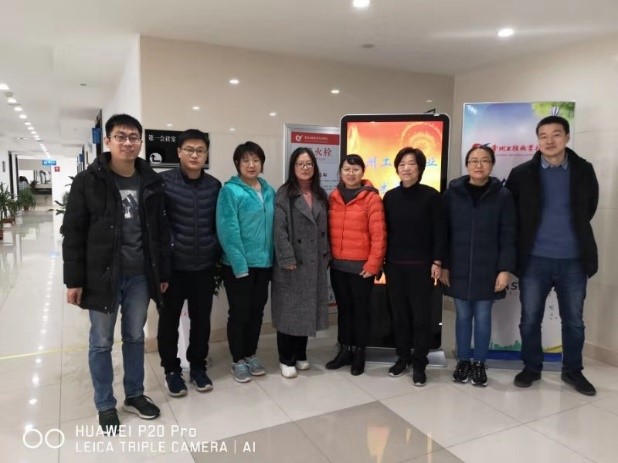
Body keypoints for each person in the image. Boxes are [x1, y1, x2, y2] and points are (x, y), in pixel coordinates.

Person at [62, 114, 170, 435]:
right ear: (107, 141)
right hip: (102, 276)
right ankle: (105, 404)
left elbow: (160, 232)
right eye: (121, 136)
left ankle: (134, 395)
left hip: (140, 277)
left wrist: (161, 272)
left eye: (134, 137)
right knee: (101, 342)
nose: (128, 142)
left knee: (135, 337)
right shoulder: (88, 181)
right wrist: (74, 280)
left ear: (140, 142)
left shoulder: (151, 181)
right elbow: (73, 233)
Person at [506, 115, 599, 396]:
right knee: (530, 319)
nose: (549, 141)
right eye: (543, 136)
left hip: (573, 260)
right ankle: (531, 367)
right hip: (534, 259)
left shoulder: (583, 170)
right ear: (537, 141)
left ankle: (573, 370)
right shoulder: (521, 174)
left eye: (556, 134)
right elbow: (512, 216)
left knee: (574, 321)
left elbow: (589, 208)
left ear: (567, 137)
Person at [441, 144, 516, 387]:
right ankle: (463, 361)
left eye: (484, 160)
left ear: (492, 165)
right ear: (467, 165)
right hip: (459, 267)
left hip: (488, 268)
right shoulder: (452, 194)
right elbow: (443, 233)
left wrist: (504, 269)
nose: (478, 165)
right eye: (473, 160)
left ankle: (479, 363)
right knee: (463, 316)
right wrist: (443, 264)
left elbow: (508, 235)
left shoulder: (503, 196)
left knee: (483, 316)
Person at [157, 129, 221, 396]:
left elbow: (218, 223)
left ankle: (197, 367)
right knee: (168, 322)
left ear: (206, 154)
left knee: (202, 322)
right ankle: (172, 371)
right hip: (173, 268)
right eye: (190, 150)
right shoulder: (163, 182)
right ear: (179, 152)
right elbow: (157, 224)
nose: (195, 155)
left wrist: (215, 249)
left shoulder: (214, 186)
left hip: (204, 265)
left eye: (200, 150)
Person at [383, 147, 445, 387]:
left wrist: (437, 261)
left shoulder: (431, 196)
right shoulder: (390, 197)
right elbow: (385, 232)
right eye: (402, 164)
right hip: (395, 267)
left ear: (420, 168)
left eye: (411, 164)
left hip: (422, 268)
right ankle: (403, 357)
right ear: (397, 168)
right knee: (399, 316)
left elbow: (440, 231)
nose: (406, 168)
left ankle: (420, 363)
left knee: (421, 318)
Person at [216, 141, 275, 383]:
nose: (251, 165)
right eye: (246, 160)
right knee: (239, 313)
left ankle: (251, 354)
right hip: (238, 266)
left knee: (257, 313)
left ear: (262, 163)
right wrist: (239, 266)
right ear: (237, 164)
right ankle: (238, 360)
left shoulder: (269, 190)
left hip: (264, 264)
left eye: (256, 160)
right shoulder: (230, 191)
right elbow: (228, 230)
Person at [271, 147, 330, 378]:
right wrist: (286, 256)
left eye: (309, 164)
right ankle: (286, 359)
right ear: (293, 167)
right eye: (300, 164)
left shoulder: (320, 194)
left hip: (314, 262)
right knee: (289, 312)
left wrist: (326, 254)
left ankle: (300, 354)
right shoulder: (284, 193)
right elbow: (279, 229)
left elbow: (325, 229)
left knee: (306, 309)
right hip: (292, 263)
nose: (305, 168)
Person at [326, 154, 386, 376]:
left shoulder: (371, 198)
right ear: (340, 172)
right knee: (344, 311)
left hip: (362, 269)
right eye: (346, 169)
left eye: (355, 169)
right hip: (338, 267)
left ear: (362, 172)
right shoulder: (333, 197)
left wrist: (373, 265)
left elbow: (379, 235)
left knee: (360, 311)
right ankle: (344, 350)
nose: (351, 174)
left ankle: (360, 352)